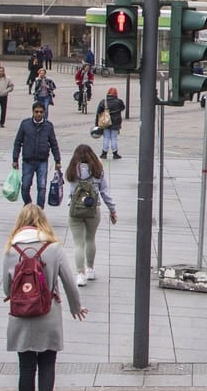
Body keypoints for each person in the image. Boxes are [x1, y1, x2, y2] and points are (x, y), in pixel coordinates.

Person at [2, 205, 86, 391]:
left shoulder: (11, 250)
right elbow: (69, 281)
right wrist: (75, 307)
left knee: (26, 366)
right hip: (48, 314)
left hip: (21, 317)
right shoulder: (54, 248)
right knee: (47, 362)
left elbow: (7, 287)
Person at [63, 145, 117, 287]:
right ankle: (90, 269)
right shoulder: (97, 171)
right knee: (90, 239)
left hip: (74, 210)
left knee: (78, 243)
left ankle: (80, 274)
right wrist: (112, 210)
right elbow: (104, 192)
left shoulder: (72, 170)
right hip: (93, 209)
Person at [11, 101, 62, 207]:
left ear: (44, 113)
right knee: (25, 186)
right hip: (28, 160)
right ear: (33, 112)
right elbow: (18, 142)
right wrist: (15, 159)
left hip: (42, 161)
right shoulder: (25, 124)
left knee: (42, 187)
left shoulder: (48, 126)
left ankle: (39, 211)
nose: (39, 114)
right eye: (36, 112)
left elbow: (53, 143)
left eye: (41, 112)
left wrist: (57, 160)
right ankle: (28, 205)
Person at [95, 86, 127, 160]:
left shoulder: (104, 101)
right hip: (116, 122)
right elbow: (123, 108)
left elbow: (98, 112)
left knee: (106, 137)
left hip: (105, 122)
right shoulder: (119, 101)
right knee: (114, 138)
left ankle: (104, 153)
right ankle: (115, 153)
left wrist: (96, 123)